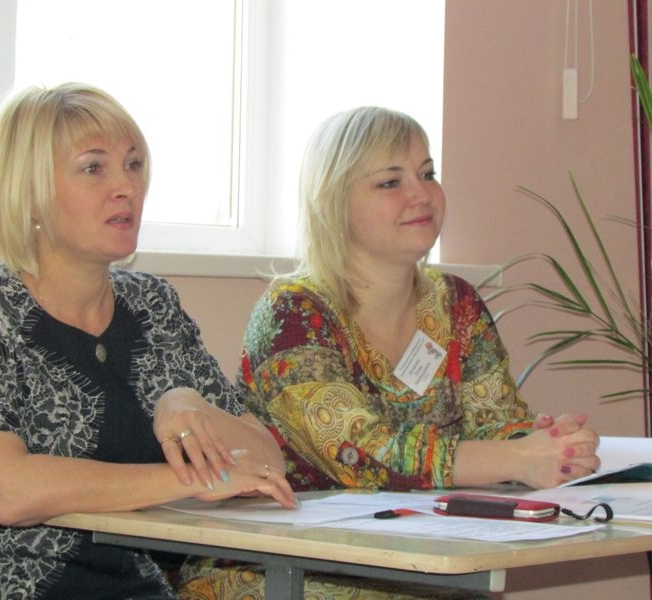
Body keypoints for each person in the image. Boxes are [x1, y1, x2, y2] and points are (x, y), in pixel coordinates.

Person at [177, 106, 600, 599]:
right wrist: (516, 457)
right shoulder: (292, 313)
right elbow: (359, 453)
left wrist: (551, 445)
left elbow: (496, 422)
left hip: (420, 557)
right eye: (390, 182)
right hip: (280, 567)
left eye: (428, 174)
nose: (421, 194)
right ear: (334, 203)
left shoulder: (457, 303)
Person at [0, 82, 296, 600]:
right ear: (31, 192)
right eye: (94, 168)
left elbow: (267, 462)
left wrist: (188, 401)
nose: (126, 187)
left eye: (133, 165)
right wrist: (193, 479)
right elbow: (7, 492)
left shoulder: (154, 305)